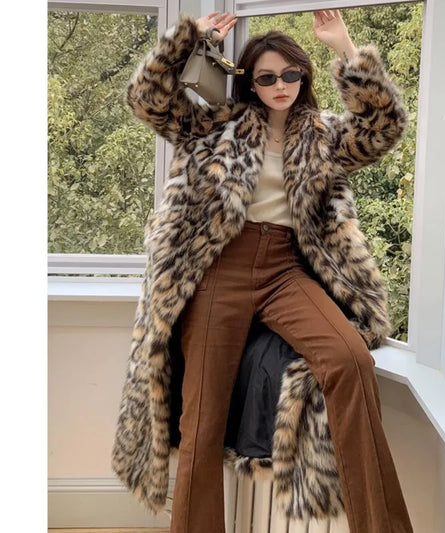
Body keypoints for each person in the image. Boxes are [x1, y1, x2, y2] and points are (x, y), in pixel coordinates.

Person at [111, 8, 414, 533]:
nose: (280, 86)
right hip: (218, 272)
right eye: (267, 77)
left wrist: (345, 49)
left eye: (290, 74)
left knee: (349, 361)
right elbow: (147, 99)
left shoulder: (322, 134)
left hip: (285, 270)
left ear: (303, 76)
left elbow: (383, 127)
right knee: (201, 422)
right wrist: (191, 40)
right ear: (250, 81)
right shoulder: (216, 125)